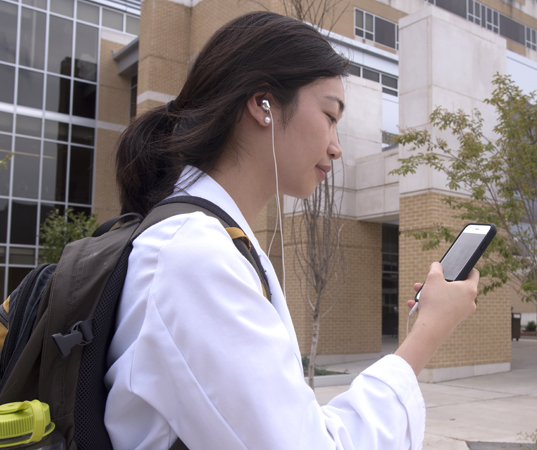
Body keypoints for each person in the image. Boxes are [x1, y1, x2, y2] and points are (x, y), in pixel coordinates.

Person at [105, 11, 478, 450]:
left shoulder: (205, 242)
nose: (336, 147)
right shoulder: (192, 257)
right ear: (262, 105)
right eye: (329, 115)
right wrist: (429, 331)